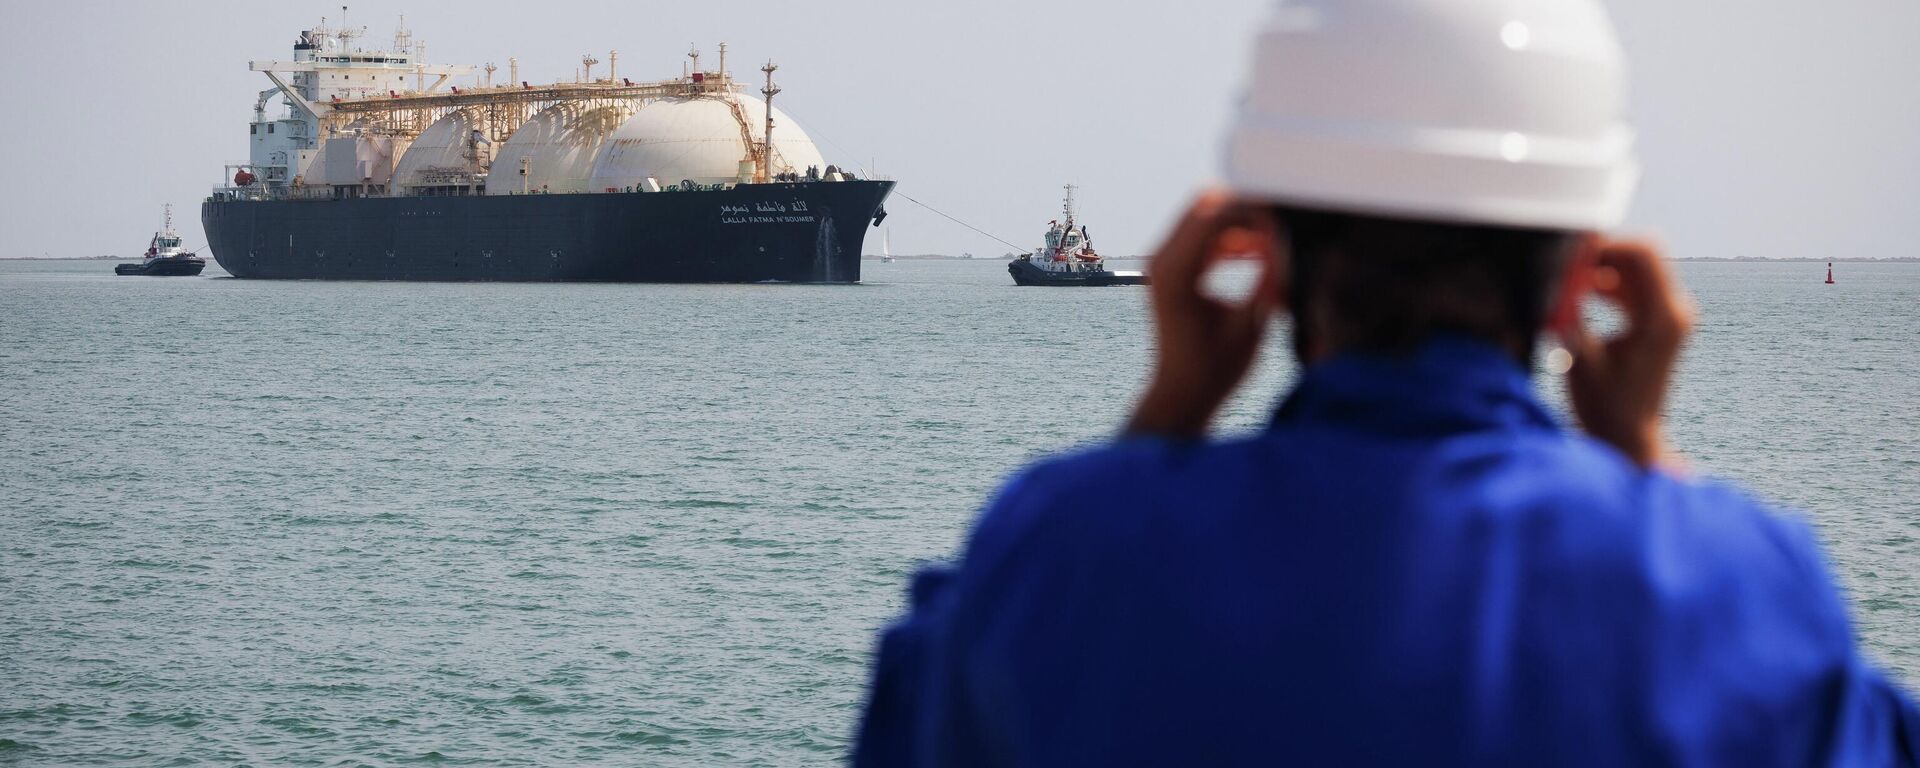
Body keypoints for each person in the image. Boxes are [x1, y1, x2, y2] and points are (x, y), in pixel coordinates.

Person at [854, 0, 1919, 765]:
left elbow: (919, 715)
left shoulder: (1059, 551)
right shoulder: (1740, 587)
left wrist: (1161, 423)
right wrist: (1650, 464)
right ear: (1578, 284)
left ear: (1261, 260)